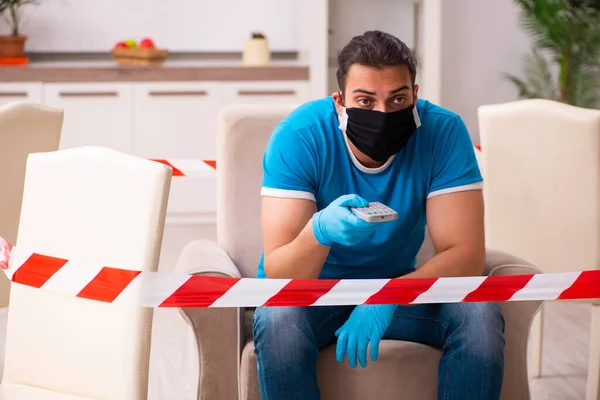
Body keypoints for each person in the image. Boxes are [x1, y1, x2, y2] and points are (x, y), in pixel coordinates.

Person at [253, 30, 505, 400]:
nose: (383, 114)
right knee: (278, 319)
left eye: (398, 99)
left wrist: (389, 295)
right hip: (313, 295)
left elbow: (466, 255)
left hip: (398, 294)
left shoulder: (443, 132)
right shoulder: (300, 135)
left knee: (479, 314)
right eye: (365, 101)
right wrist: (319, 231)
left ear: (415, 95)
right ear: (340, 102)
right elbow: (280, 276)